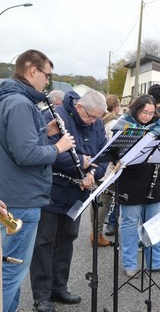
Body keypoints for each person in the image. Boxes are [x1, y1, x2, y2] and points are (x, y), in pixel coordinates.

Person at [0, 49, 75, 312]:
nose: (48, 82)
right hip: (21, 198)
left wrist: (45, 131)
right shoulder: (20, 103)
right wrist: (59, 147)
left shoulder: (10, 100)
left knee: (10, 270)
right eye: (47, 75)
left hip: (13, 194)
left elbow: (13, 143)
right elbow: (25, 153)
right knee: (10, 273)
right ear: (33, 70)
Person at [29, 90, 108, 312]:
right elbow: (47, 151)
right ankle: (42, 295)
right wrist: (80, 165)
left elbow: (103, 154)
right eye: (91, 117)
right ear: (80, 107)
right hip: (52, 191)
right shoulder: (55, 115)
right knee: (44, 243)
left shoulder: (97, 122)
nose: (94, 122)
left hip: (78, 193)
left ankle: (59, 287)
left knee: (67, 240)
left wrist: (94, 174)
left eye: (97, 119)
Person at [112, 94, 160, 278]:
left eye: (151, 113)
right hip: (130, 181)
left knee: (154, 224)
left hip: (152, 181)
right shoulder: (122, 125)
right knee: (130, 224)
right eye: (144, 112)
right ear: (136, 109)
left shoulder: (158, 126)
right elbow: (115, 155)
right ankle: (130, 263)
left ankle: (156, 261)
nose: (148, 117)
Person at [89, 94, 122, 245]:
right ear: (115, 107)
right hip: (108, 168)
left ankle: (95, 232)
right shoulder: (114, 122)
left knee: (97, 199)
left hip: (98, 166)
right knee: (105, 199)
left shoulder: (100, 121)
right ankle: (97, 234)